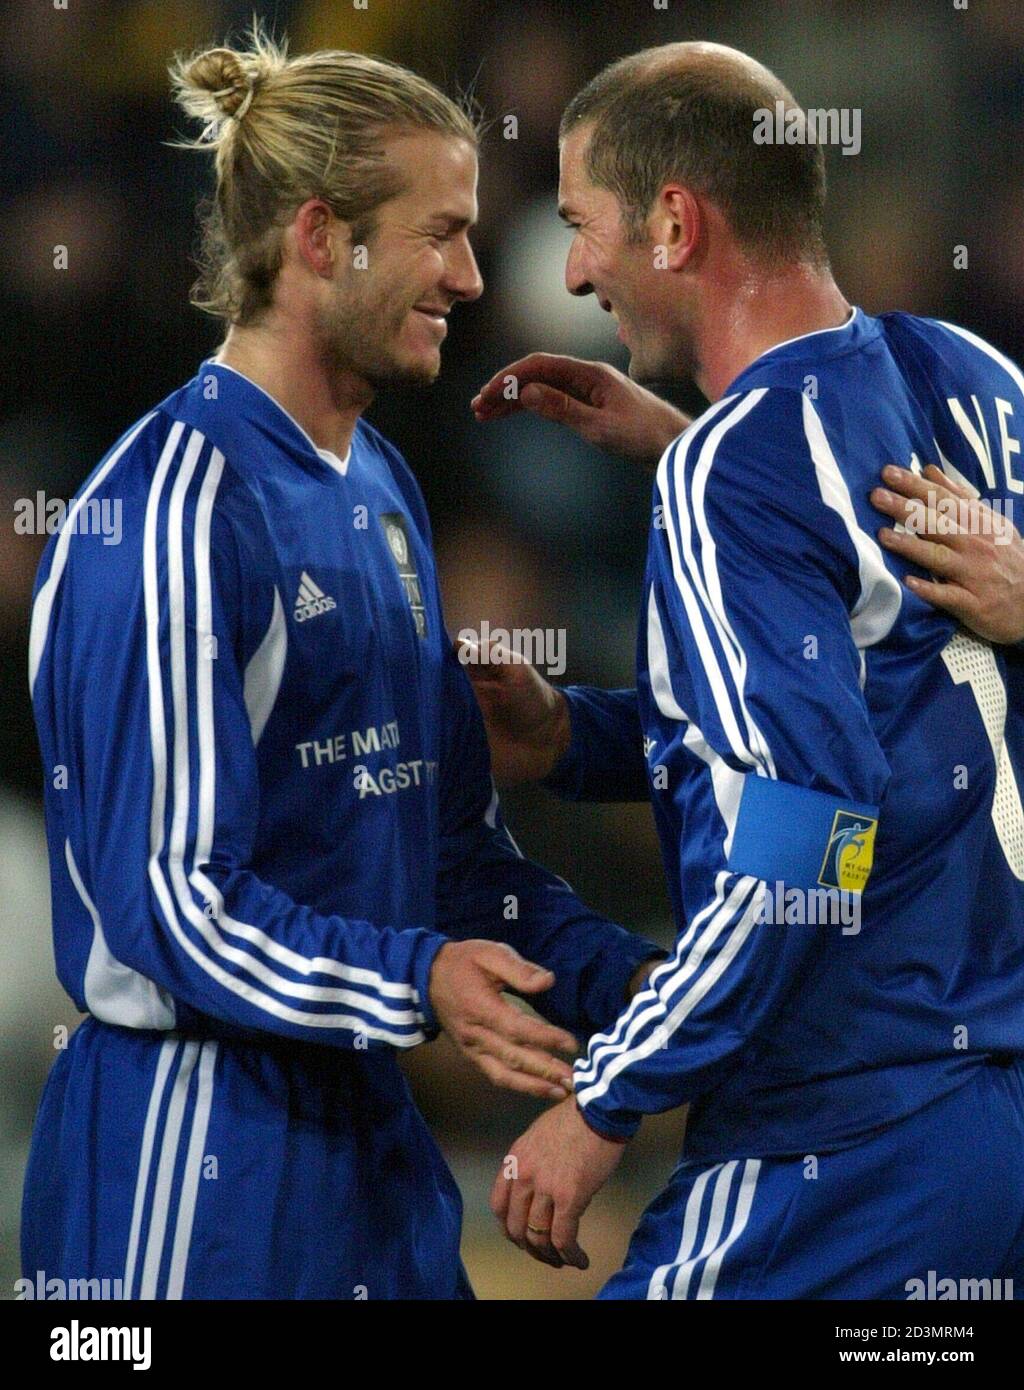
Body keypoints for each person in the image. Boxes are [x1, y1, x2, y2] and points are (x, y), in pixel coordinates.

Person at [22, 29, 662, 1301]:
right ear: (321, 239)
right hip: (189, 1162)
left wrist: (641, 991)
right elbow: (169, 910)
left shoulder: (380, 488)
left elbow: (449, 859)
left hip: (366, 1146)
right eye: (440, 232)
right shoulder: (168, 516)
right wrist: (416, 976)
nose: (472, 276)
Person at [472, 42, 1024, 1298]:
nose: (570, 268)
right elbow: (898, 692)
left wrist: (607, 1102)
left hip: (842, 1136)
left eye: (581, 222)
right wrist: (574, 736)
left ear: (674, 221)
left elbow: (810, 835)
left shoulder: (740, 473)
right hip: (989, 1112)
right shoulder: (970, 377)